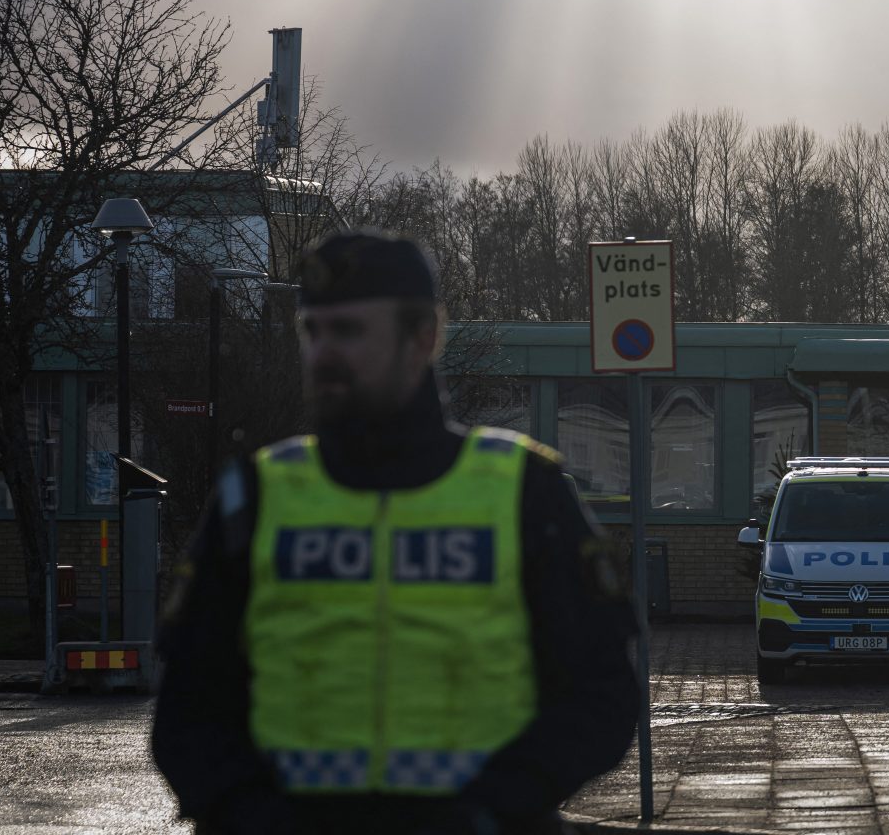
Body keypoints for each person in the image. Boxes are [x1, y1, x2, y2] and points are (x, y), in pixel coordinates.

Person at [152, 230, 638, 834]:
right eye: (313, 331)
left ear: (424, 338)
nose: (323, 352)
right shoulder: (256, 496)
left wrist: (498, 808)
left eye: (350, 331)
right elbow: (188, 707)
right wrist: (248, 813)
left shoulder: (523, 491)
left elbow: (604, 694)